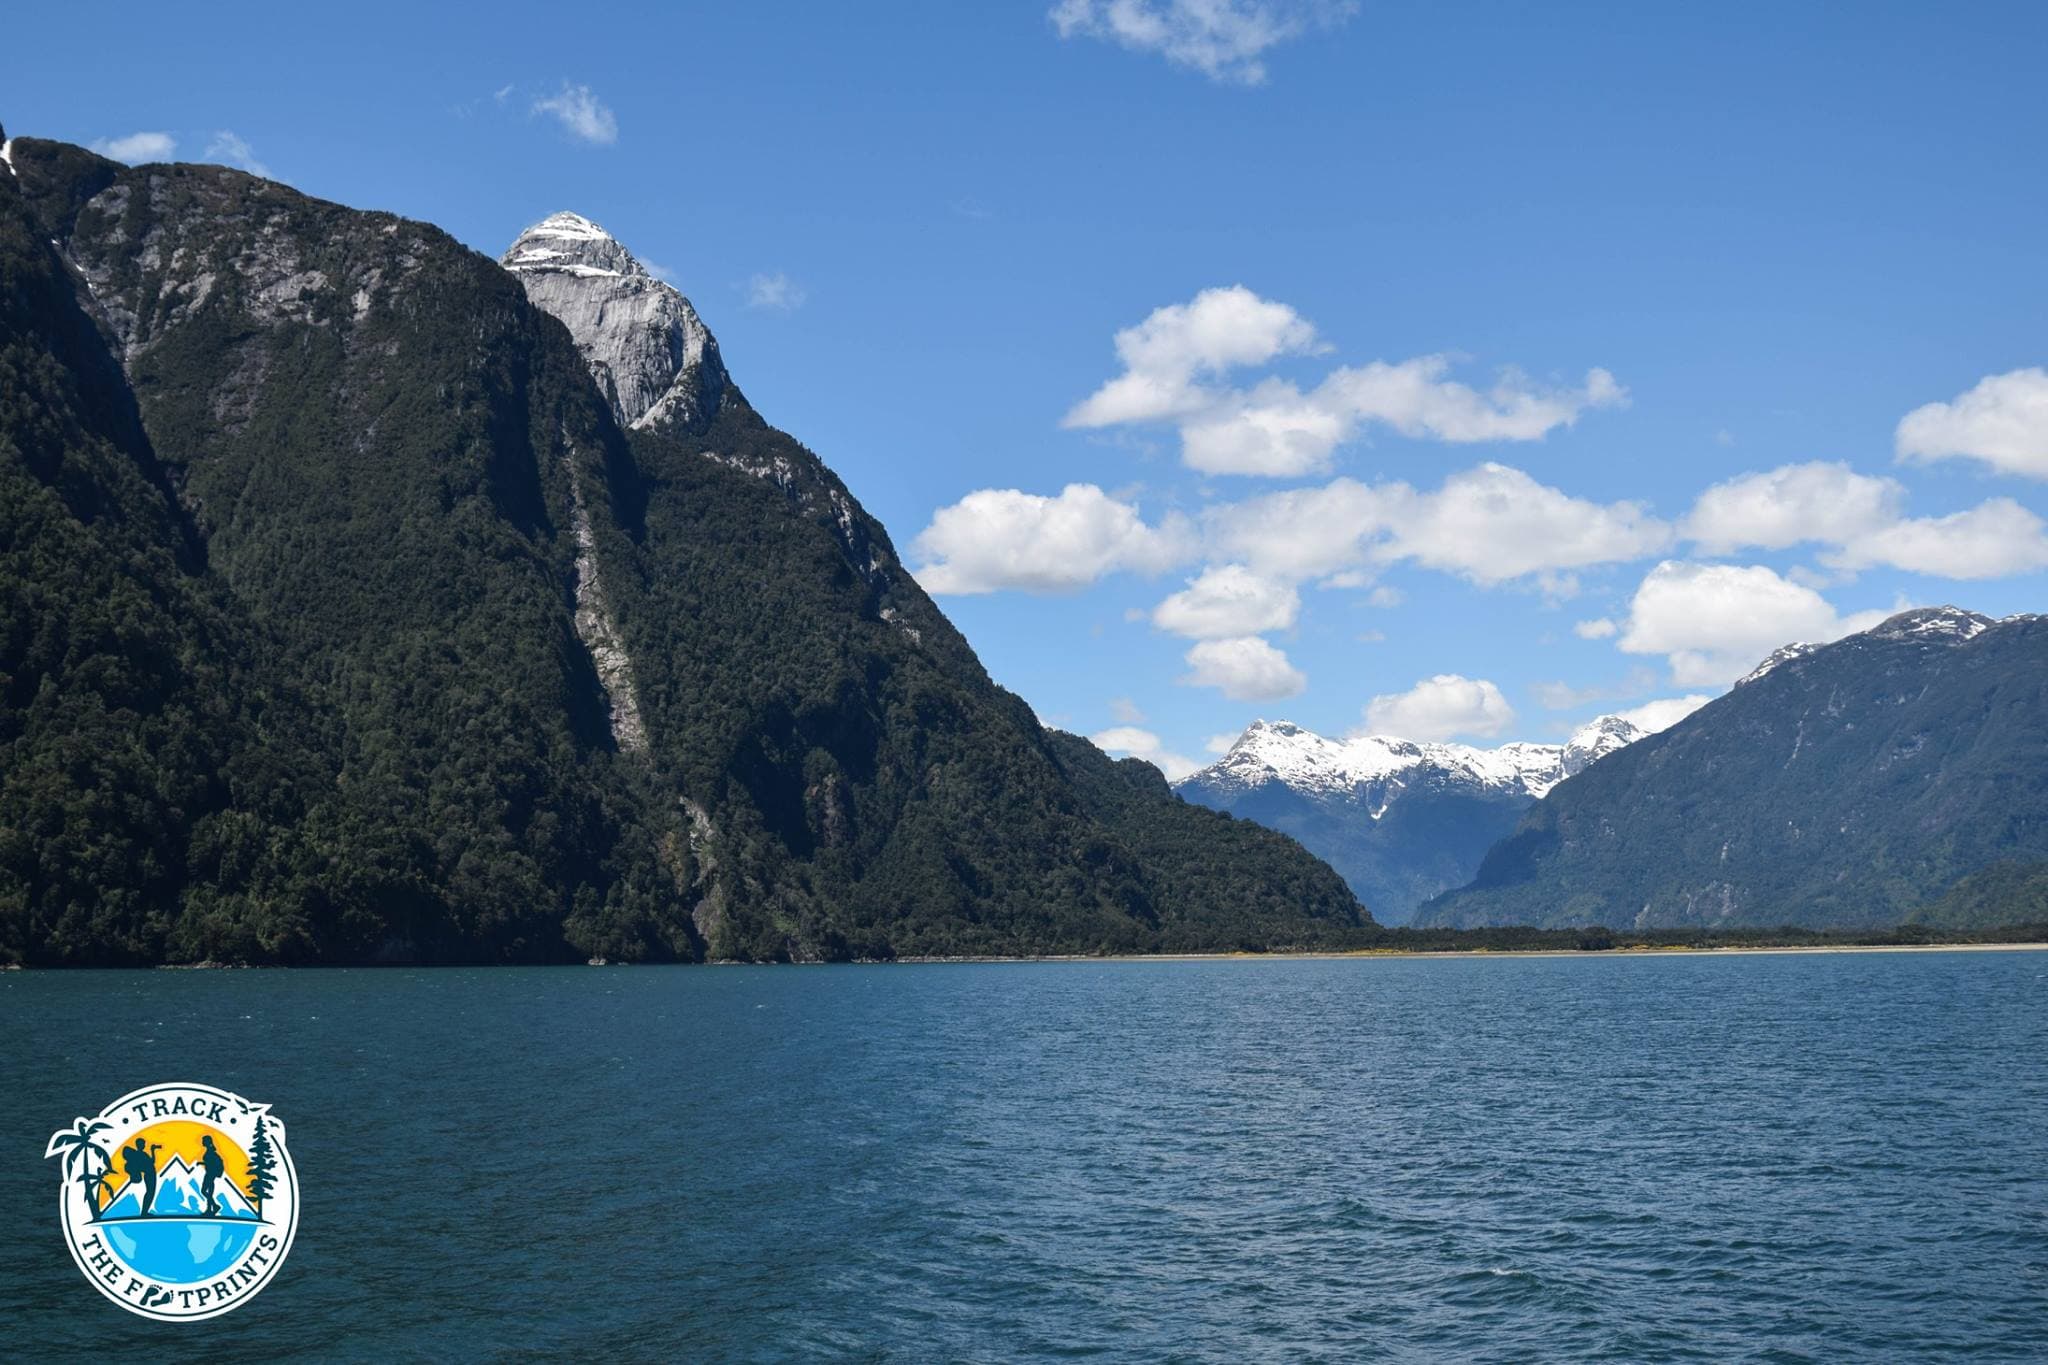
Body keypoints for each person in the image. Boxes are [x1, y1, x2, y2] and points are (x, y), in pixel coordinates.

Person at [121, 1137, 159, 1218]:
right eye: (143, 1144)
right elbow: (151, 1162)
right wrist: (152, 1151)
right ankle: (144, 1213)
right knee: (150, 1193)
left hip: (149, 1174)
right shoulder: (141, 1154)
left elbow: (150, 1162)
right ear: (139, 1145)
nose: (144, 1145)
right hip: (150, 1175)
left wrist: (152, 1151)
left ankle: (144, 1212)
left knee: (149, 1193)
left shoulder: (140, 1154)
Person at [199, 1135, 226, 1217]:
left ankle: (212, 1208)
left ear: (207, 1142)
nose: (202, 1142)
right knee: (207, 1192)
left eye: (203, 1141)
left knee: (204, 1191)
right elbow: (210, 1162)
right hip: (210, 1174)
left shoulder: (210, 1151)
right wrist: (202, 1163)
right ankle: (212, 1207)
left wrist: (203, 1163)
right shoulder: (210, 1150)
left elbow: (211, 1163)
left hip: (210, 1174)